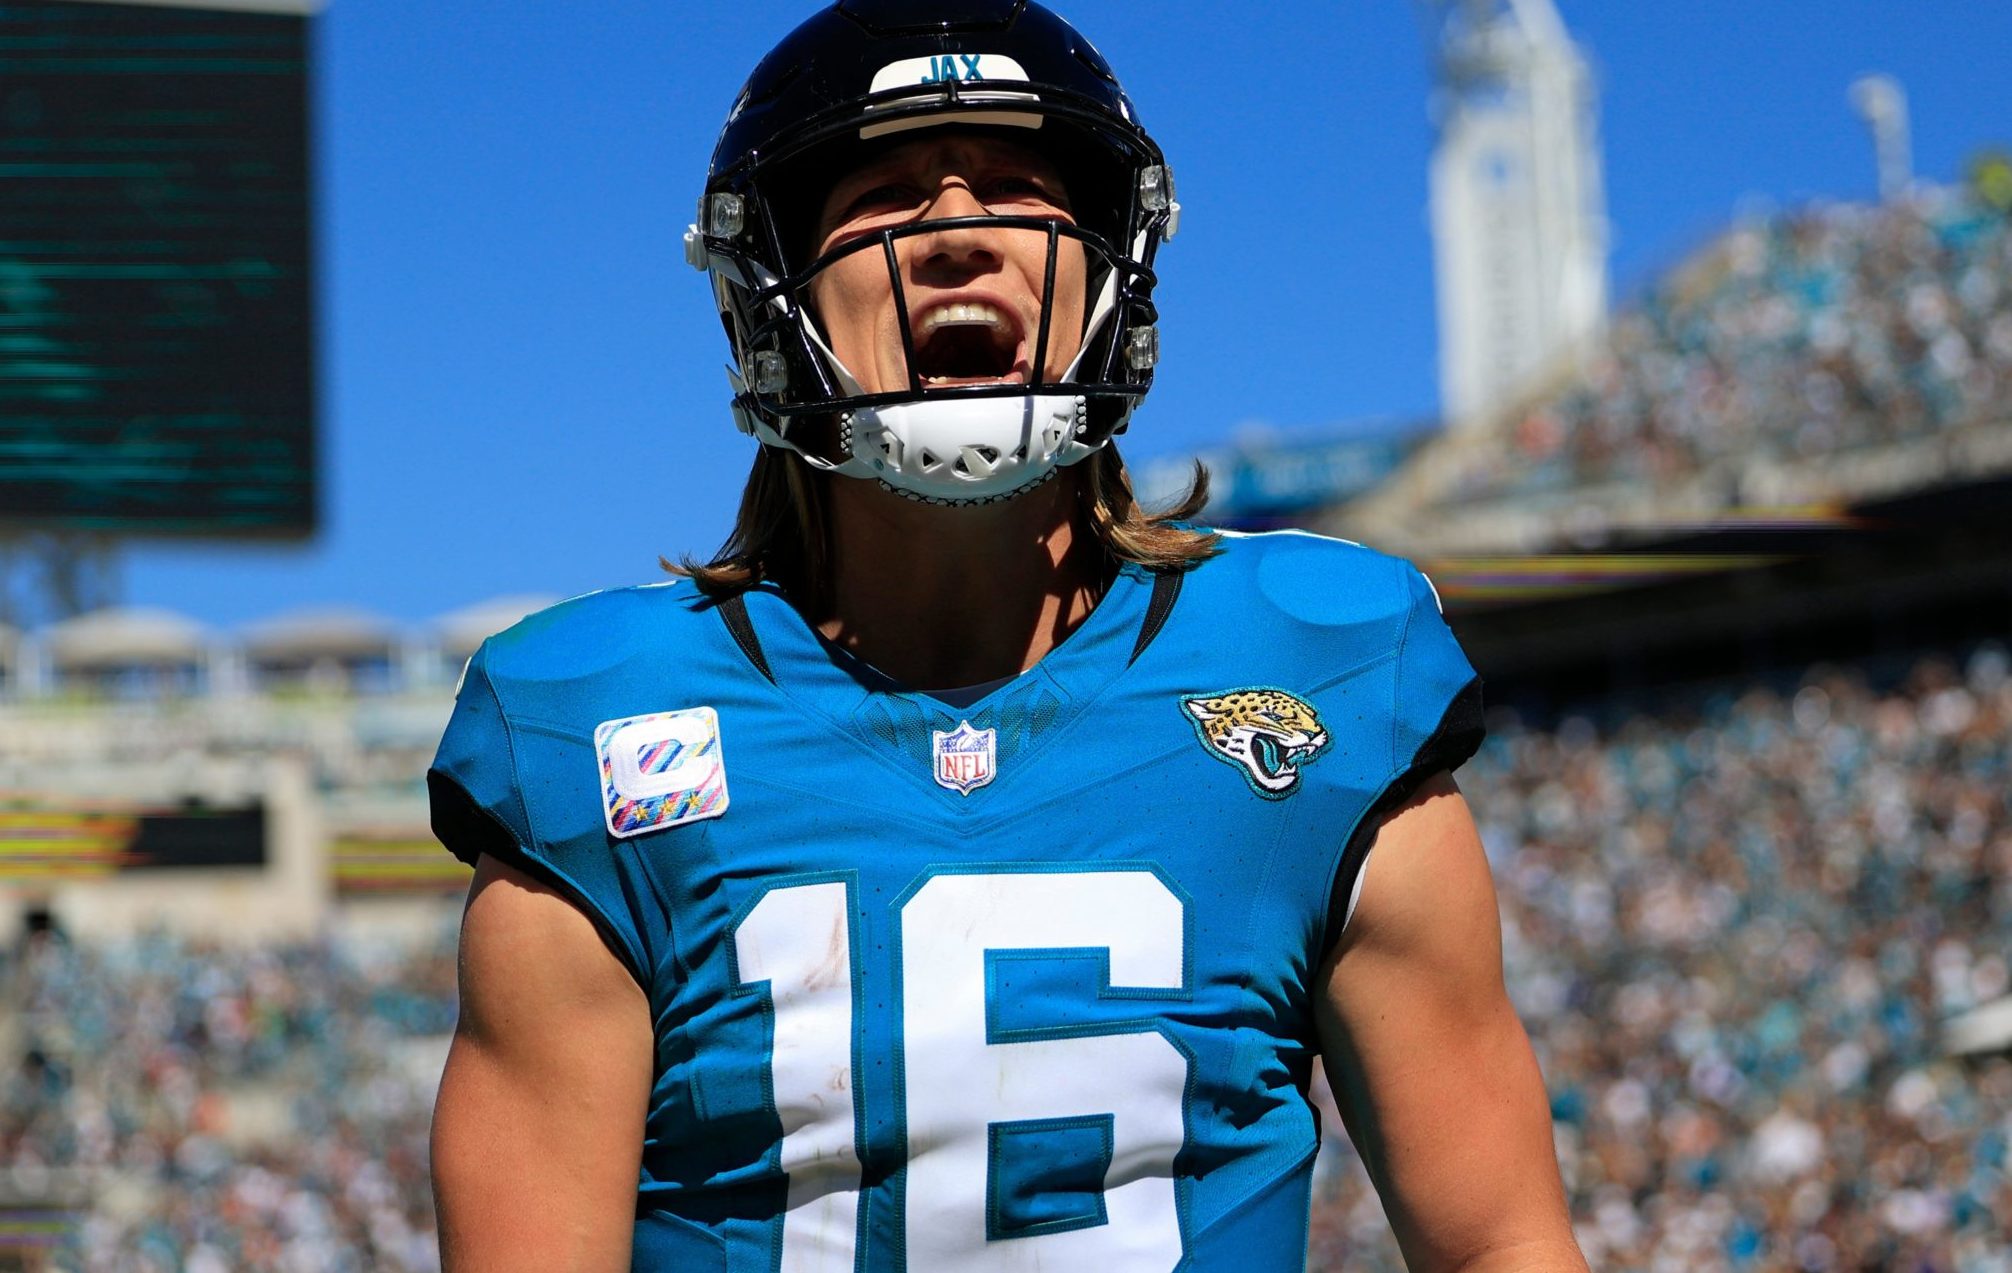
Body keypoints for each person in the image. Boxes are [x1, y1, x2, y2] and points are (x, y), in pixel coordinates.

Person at [427, 2, 1589, 1269]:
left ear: (1110, 269)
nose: (957, 234)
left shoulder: (1319, 674)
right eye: (881, 198)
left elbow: (1497, 1244)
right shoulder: (594, 724)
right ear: (764, 294)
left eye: (1019, 191)